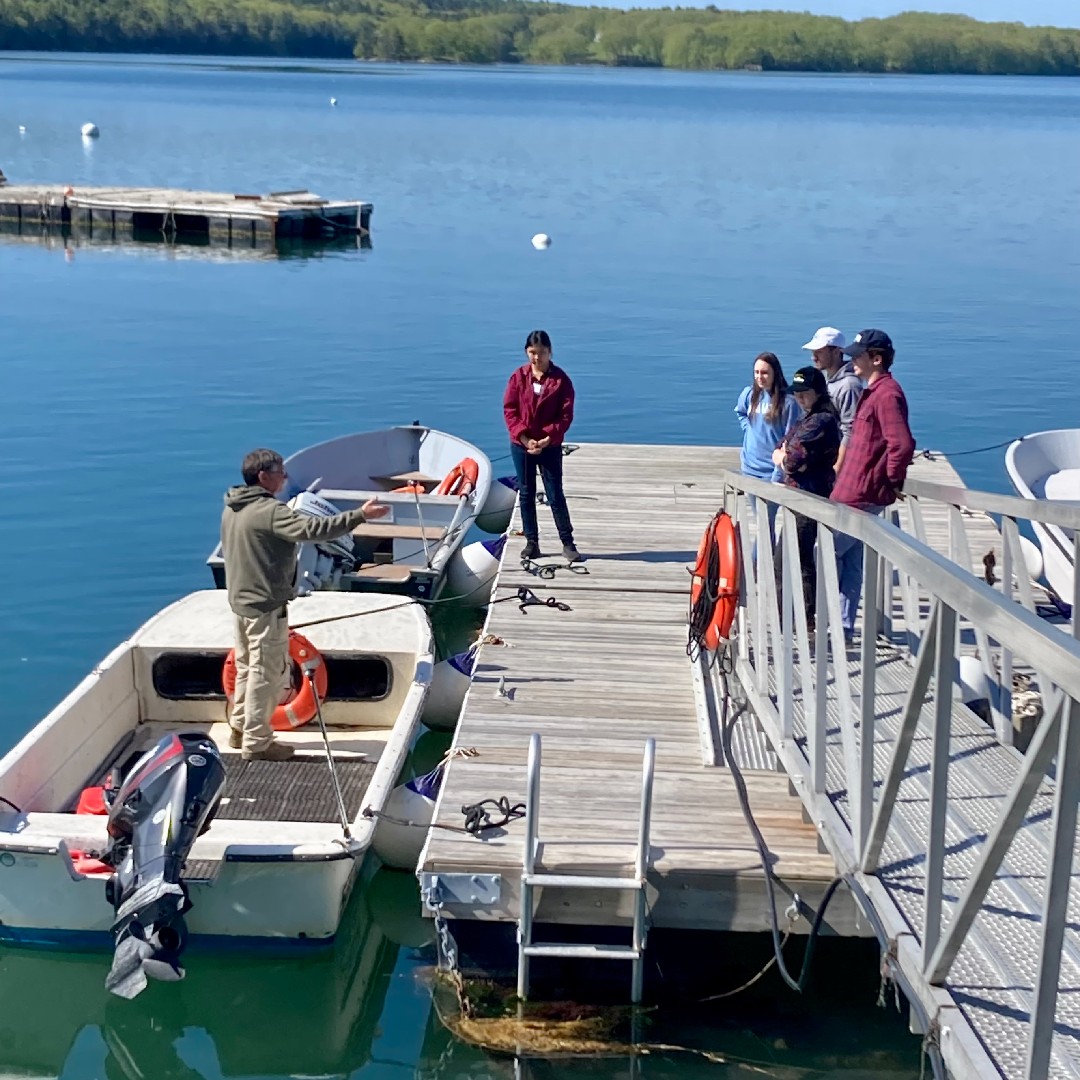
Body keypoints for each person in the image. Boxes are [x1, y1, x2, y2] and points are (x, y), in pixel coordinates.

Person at [220, 448, 389, 760]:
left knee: (246, 667)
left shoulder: (233, 506)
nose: (285, 477)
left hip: (241, 603)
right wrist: (360, 515)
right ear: (263, 477)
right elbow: (312, 530)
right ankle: (257, 743)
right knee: (265, 674)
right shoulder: (270, 512)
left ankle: (240, 728)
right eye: (279, 472)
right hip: (265, 606)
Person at [829, 330, 916, 640]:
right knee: (851, 559)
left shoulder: (887, 395)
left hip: (861, 494)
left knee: (823, 552)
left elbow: (901, 444)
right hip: (853, 490)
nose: (852, 359)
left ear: (876, 359)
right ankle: (842, 628)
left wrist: (892, 480)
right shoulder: (872, 391)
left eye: (858, 355)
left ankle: (824, 623)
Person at [771, 366, 842, 629]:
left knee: (795, 560)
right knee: (789, 559)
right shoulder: (808, 418)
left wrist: (785, 458)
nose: (799, 398)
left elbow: (792, 460)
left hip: (808, 498)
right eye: (796, 393)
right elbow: (782, 445)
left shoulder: (821, 421)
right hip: (798, 497)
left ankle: (802, 621)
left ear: (818, 391)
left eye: (804, 393)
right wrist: (786, 455)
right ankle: (792, 618)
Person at [503, 329, 581, 562]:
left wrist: (548, 437)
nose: (537, 358)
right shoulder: (518, 377)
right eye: (532, 352)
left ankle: (568, 542)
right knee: (526, 494)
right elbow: (510, 411)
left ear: (550, 352)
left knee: (555, 493)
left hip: (550, 445)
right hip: (522, 445)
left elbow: (565, 416)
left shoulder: (561, 380)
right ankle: (532, 543)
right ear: (526, 352)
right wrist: (524, 438)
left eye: (542, 353)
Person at [735, 352, 799, 546]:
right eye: (756, 372)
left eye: (764, 372)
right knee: (763, 522)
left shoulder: (788, 402)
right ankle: (765, 561)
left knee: (765, 522)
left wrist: (778, 474)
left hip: (771, 472)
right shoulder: (749, 395)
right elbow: (740, 412)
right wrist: (749, 430)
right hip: (750, 469)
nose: (759, 377)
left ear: (775, 373)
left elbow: (791, 438)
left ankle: (759, 562)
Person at [801, 326, 863, 475]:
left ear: (836, 352)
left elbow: (851, 429)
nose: (813, 357)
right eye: (813, 352)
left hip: (839, 466)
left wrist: (838, 467)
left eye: (819, 352)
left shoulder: (848, 386)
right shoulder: (829, 379)